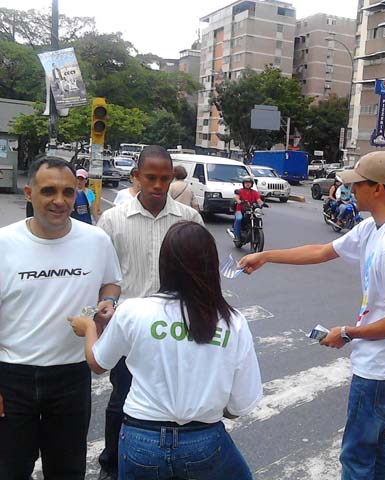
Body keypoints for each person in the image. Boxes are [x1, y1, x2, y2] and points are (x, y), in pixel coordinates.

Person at [240, 151, 385, 479]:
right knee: (373, 449)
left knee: (356, 458)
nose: (350, 189)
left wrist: (347, 332)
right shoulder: (375, 227)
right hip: (380, 364)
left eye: (357, 184)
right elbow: (323, 251)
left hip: (381, 371)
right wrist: (266, 255)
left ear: (378, 188)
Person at [69, 221, 261, 480]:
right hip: (202, 440)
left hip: (140, 440)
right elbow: (239, 406)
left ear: (165, 265)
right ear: (210, 265)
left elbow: (98, 363)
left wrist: (89, 327)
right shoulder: (232, 321)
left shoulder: (133, 311)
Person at [0, 157, 122, 479]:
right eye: (49, 191)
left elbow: (111, 281)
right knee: (10, 470)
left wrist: (108, 300)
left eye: (68, 192)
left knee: (67, 471)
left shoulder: (96, 240)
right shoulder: (4, 243)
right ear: (29, 193)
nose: (59, 201)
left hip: (71, 376)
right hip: (12, 377)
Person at [96, 145, 204, 480]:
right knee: (121, 400)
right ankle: (111, 464)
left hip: (178, 331)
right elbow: (103, 274)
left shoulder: (189, 220)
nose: (158, 185)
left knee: (175, 401)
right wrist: (104, 313)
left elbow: (202, 273)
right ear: (136, 177)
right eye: (151, 178)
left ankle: (171, 462)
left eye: (165, 178)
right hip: (130, 333)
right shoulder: (113, 219)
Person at [233, 176, 263, 242]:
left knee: (257, 218)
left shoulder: (254, 192)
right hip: (240, 210)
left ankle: (256, 233)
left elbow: (258, 200)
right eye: (246, 182)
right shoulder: (240, 191)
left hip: (251, 210)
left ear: (251, 184)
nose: (247, 184)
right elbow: (236, 197)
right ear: (243, 183)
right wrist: (238, 201)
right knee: (239, 219)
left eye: (249, 182)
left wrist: (261, 204)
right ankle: (237, 236)